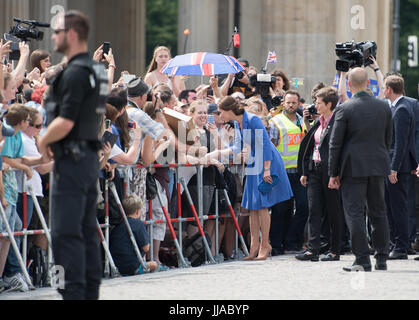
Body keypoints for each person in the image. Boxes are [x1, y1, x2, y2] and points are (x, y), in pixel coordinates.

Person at [38, 10, 107, 299]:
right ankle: (88, 293)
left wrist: (43, 140)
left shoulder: (76, 73)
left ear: (72, 34)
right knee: (86, 230)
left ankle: (69, 294)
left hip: (71, 158)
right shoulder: (97, 71)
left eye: (57, 32)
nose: (53, 37)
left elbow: (65, 121)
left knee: (65, 235)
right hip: (87, 157)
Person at [328, 67, 392, 272]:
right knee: (379, 212)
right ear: (367, 84)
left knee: (354, 213)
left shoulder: (345, 109)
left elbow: (335, 144)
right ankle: (382, 257)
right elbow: (388, 139)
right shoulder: (384, 107)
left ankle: (363, 259)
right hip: (378, 165)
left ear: (349, 84)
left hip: (352, 168)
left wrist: (333, 172)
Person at [213, 96, 293, 260]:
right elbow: (237, 146)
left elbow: (265, 144)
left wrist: (267, 169)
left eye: (221, 112)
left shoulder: (253, 119)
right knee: (252, 206)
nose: (220, 116)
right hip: (254, 162)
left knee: (262, 205)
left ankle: (265, 244)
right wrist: (219, 153)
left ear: (229, 110)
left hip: (266, 161)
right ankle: (254, 246)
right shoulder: (237, 123)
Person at [296, 86, 344, 262]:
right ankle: (313, 249)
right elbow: (311, 146)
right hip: (314, 170)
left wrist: (336, 173)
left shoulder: (338, 121)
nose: (315, 105)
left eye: (318, 102)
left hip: (330, 172)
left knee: (333, 211)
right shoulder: (319, 121)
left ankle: (335, 250)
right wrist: (305, 171)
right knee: (314, 209)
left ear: (329, 104)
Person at [268, 90, 309, 254]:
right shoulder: (275, 122)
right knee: (280, 209)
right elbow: (270, 147)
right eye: (288, 102)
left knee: (303, 207)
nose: (291, 105)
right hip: (282, 172)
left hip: (300, 172)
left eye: (294, 102)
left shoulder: (303, 121)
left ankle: (293, 242)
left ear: (299, 104)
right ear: (283, 103)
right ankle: (277, 245)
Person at [383, 75, 417, 260]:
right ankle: (397, 244)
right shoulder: (399, 107)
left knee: (398, 208)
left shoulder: (402, 109)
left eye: (384, 88)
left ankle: (401, 246)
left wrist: (393, 168)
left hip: (397, 167)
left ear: (389, 89)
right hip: (394, 165)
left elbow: (401, 143)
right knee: (391, 206)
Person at [109, 194, 158, 276]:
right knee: (154, 264)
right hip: (132, 266)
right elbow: (146, 248)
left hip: (116, 265)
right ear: (138, 211)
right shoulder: (138, 224)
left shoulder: (117, 225)